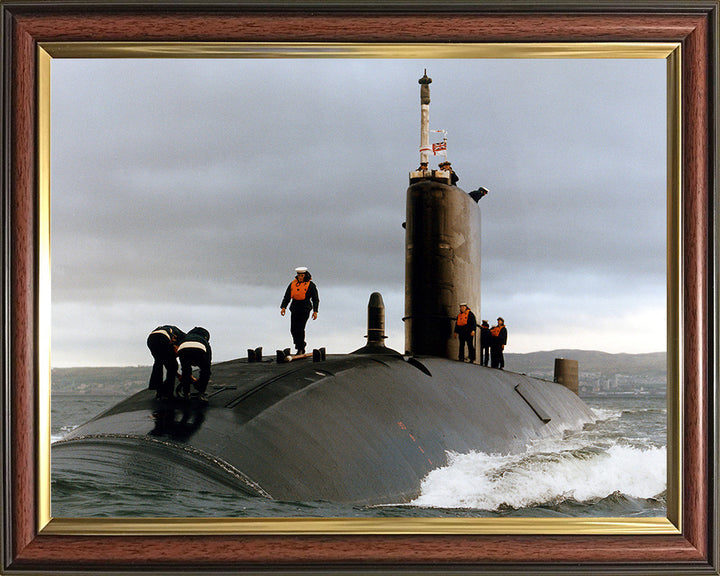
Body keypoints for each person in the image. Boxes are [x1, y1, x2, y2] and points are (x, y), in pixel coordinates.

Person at [280, 266, 319, 355]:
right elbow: (287, 296)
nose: (300, 277)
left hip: (305, 308)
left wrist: (315, 311)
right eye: (299, 275)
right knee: (293, 329)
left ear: (305, 275)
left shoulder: (311, 285)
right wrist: (283, 307)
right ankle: (300, 344)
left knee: (300, 328)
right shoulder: (293, 284)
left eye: (302, 275)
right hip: (295, 307)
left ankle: (300, 348)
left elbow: (315, 299)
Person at [147, 325, 185, 400]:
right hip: (163, 338)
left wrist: (177, 375)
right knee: (173, 365)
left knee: (158, 362)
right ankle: (168, 393)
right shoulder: (182, 339)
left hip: (151, 339)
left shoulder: (170, 330)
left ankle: (159, 391)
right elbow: (175, 356)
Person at [177, 326, 212, 401]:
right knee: (205, 371)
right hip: (200, 348)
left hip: (183, 347)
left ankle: (186, 394)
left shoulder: (185, 338)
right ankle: (201, 394)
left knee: (186, 371)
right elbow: (207, 365)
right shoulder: (204, 340)